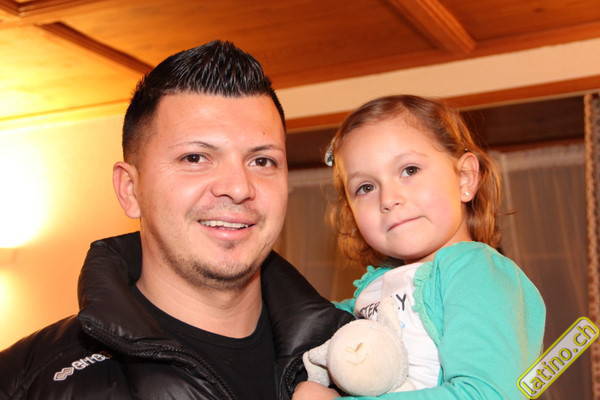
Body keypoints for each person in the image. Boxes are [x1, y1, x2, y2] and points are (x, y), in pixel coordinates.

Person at [0, 41, 354, 400]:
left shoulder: (361, 354)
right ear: (130, 190)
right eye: (195, 158)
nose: (238, 188)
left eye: (262, 161)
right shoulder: (22, 383)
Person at [293, 95, 546, 399]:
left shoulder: (477, 273)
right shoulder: (373, 291)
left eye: (409, 170)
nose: (388, 199)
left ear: (465, 178)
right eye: (366, 187)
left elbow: (487, 393)